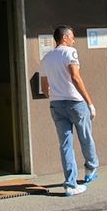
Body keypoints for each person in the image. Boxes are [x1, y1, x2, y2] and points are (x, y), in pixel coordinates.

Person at [40, 25, 99, 197]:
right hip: (75, 102)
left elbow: (44, 86)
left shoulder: (46, 58)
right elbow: (75, 77)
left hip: (56, 104)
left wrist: (53, 94)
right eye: (72, 37)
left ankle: (70, 185)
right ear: (64, 38)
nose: (74, 40)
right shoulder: (70, 52)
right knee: (85, 137)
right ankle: (90, 168)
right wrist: (90, 102)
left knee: (65, 144)